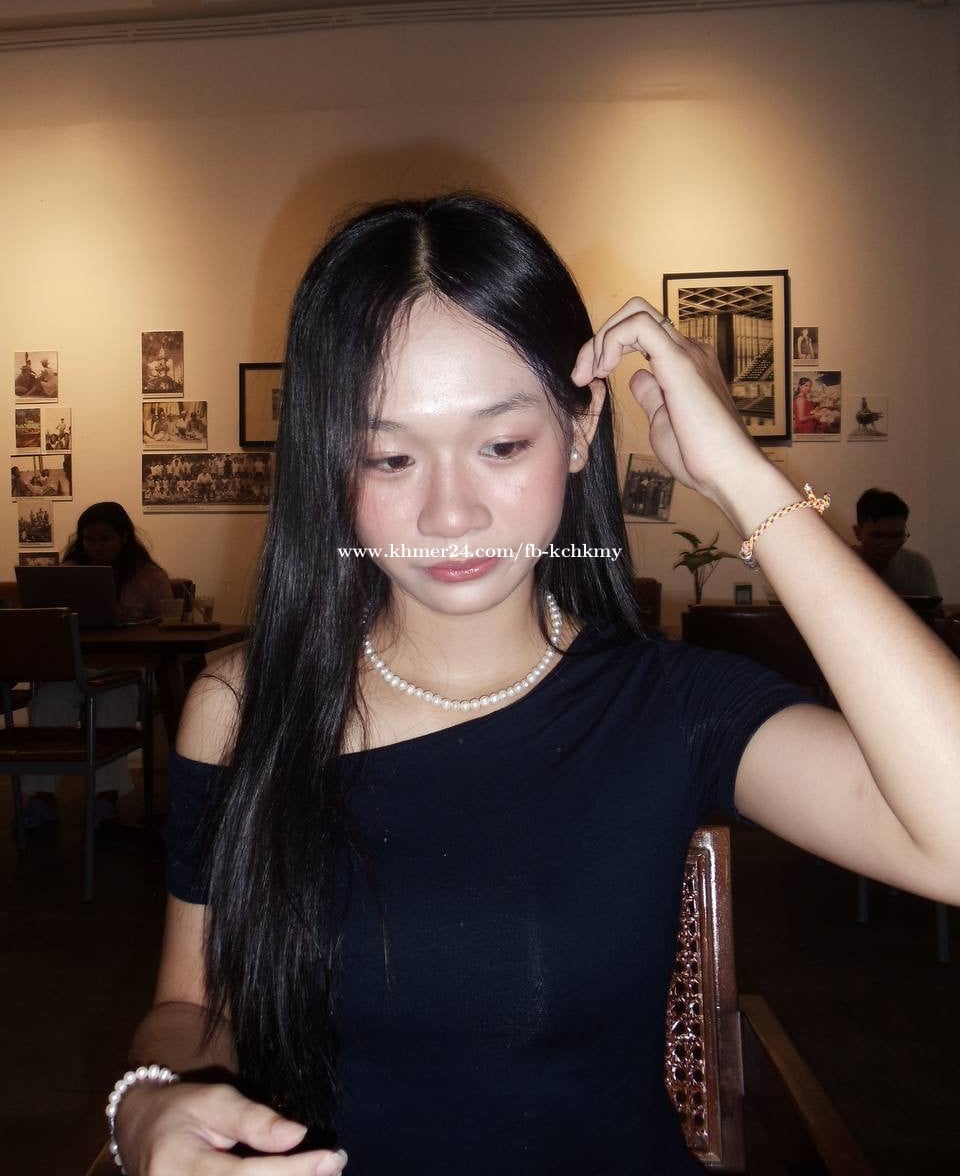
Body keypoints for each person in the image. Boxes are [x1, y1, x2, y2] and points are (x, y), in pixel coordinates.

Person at [111, 196, 960, 1176]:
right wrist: (147, 1102)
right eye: (389, 455)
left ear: (578, 428)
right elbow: (194, 1002)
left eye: (503, 445)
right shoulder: (243, 708)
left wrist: (739, 471)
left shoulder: (669, 707)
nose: (450, 512)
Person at [21, 501, 173, 835]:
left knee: (115, 701)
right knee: (47, 702)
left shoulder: (149, 576)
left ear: (124, 538)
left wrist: (134, 623)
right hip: (76, 670)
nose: (96, 547)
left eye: (105, 539)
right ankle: (42, 798)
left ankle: (106, 800)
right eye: (89, 539)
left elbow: (167, 623)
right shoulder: (66, 573)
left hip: (126, 671)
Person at [853, 487, 940, 597]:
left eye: (896, 536)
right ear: (858, 533)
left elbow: (933, 607)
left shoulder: (917, 566)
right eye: (878, 536)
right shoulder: (841, 567)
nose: (888, 544)